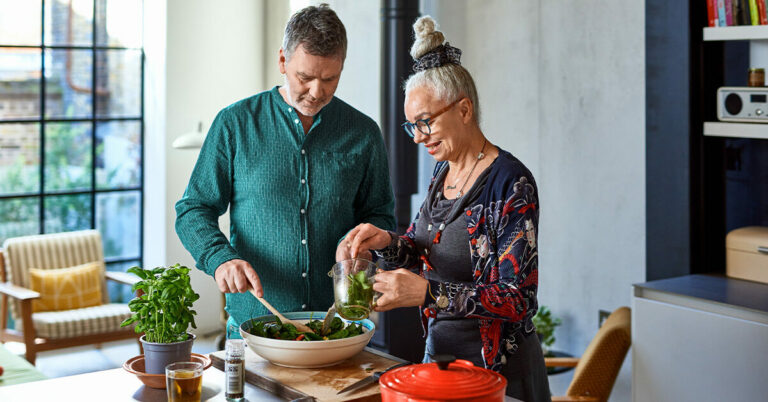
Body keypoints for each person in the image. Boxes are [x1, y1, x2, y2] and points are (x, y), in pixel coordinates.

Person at [343, 16, 551, 401]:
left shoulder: (511, 183)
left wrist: (426, 293)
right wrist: (386, 242)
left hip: (498, 374)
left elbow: (518, 298)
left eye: (424, 123)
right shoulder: (443, 172)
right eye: (411, 127)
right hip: (439, 360)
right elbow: (425, 246)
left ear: (465, 110)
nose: (418, 138)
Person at [175, 4, 395, 339]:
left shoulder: (363, 133)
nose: (317, 92)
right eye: (305, 78)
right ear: (282, 62)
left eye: (330, 79)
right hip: (254, 326)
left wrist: (366, 242)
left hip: (337, 327)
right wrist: (220, 258)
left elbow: (380, 215)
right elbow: (193, 209)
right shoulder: (235, 124)